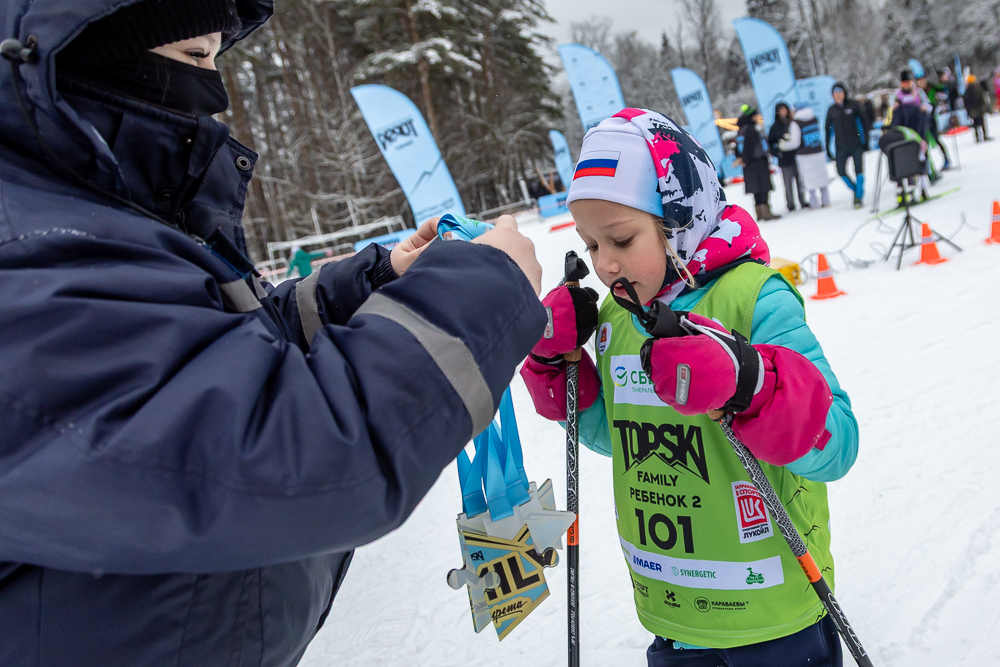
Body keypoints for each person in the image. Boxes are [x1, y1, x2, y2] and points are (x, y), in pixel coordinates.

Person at [0, 1, 547, 665]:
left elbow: (201, 361)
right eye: (196, 57)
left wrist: (372, 283)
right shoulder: (26, 246)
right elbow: (280, 452)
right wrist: (482, 292)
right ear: (89, 51)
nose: (215, 90)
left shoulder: (85, 217)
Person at [521, 108, 858, 667]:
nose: (604, 264)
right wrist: (564, 378)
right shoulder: (617, 316)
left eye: (622, 240)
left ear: (677, 218)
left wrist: (748, 379)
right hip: (673, 611)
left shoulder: (752, 298)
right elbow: (623, 439)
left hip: (772, 614)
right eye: (590, 244)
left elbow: (838, 444)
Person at [825, 81, 870, 208]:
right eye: (835, 94)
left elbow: (865, 121)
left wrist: (865, 140)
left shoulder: (854, 105)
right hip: (841, 146)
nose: (838, 96)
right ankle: (855, 190)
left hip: (856, 144)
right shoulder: (831, 110)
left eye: (840, 93)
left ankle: (859, 196)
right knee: (841, 171)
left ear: (845, 93)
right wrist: (828, 148)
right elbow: (827, 129)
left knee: (859, 170)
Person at [734, 104, 781, 221]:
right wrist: (746, 159)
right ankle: (766, 213)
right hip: (758, 162)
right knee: (763, 187)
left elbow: (737, 147)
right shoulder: (751, 129)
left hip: (749, 165)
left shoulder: (741, 130)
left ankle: (759, 213)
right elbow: (749, 146)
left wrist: (742, 159)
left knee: (756, 190)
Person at [792, 103, 833, 208]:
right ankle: (826, 200)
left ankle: (814, 202)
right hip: (818, 151)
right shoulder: (814, 118)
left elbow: (795, 141)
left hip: (804, 154)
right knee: (822, 177)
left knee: (809, 179)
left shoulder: (796, 123)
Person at [767, 102, 806, 212]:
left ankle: (802, 201)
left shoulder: (792, 124)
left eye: (785, 110)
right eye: (781, 110)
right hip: (784, 159)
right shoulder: (774, 127)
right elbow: (771, 144)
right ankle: (790, 204)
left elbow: (799, 139)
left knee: (800, 181)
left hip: (796, 156)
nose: (783, 112)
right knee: (788, 183)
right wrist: (778, 152)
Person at [879, 123, 932, 204]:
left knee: (897, 167)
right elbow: (921, 154)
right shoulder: (911, 133)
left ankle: (900, 197)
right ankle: (910, 195)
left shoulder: (900, 130)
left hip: (885, 143)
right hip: (904, 142)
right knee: (910, 168)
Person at [916, 72, 952, 169]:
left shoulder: (931, 87)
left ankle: (946, 158)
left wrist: (945, 82)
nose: (921, 82)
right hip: (921, 120)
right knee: (923, 143)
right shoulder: (917, 92)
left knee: (936, 139)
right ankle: (927, 165)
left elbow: (943, 89)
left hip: (931, 118)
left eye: (923, 80)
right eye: (919, 81)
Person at [964, 75, 992, 142]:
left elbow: (966, 102)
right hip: (979, 109)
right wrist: (985, 106)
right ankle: (985, 136)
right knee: (982, 123)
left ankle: (977, 138)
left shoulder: (966, 91)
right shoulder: (977, 88)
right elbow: (982, 97)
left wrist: (968, 111)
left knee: (975, 124)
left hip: (972, 111)